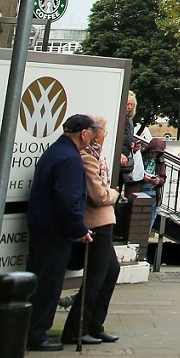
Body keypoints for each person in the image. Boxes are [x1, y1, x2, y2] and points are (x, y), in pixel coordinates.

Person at [25, 113, 94, 351]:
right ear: (83, 133)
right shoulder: (70, 159)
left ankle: (32, 330)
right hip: (54, 232)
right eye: (91, 133)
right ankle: (36, 333)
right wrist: (79, 229)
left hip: (42, 227)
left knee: (39, 279)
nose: (93, 137)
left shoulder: (55, 151)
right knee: (48, 284)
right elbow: (68, 199)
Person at [60, 117, 122, 344]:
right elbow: (99, 195)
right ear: (94, 135)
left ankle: (95, 324)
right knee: (97, 276)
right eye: (104, 133)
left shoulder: (95, 157)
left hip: (104, 221)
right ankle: (77, 329)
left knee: (110, 271)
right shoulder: (87, 158)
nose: (106, 137)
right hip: (95, 223)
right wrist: (114, 194)